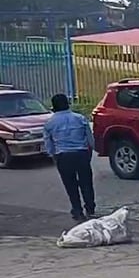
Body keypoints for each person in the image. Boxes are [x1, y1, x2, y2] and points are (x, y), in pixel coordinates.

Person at [42, 94, 96, 222]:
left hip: (63, 156)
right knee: (86, 183)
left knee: (70, 185)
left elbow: (48, 144)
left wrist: (53, 156)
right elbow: (91, 141)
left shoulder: (49, 123)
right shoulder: (80, 118)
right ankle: (90, 208)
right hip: (81, 154)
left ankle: (77, 211)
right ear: (68, 104)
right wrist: (89, 153)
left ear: (54, 106)